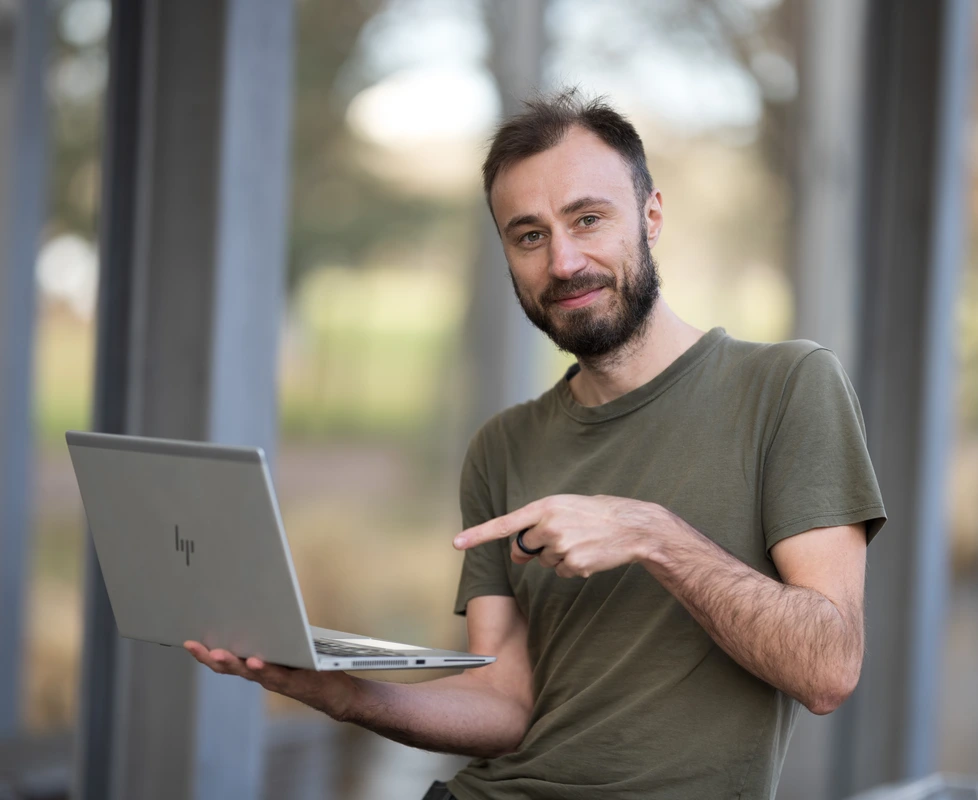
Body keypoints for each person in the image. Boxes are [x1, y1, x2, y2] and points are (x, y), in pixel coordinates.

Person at [186, 90, 886, 800]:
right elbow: (504, 705)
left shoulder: (787, 387)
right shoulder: (503, 446)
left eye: (588, 219)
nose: (563, 261)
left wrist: (651, 533)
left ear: (651, 216)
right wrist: (340, 694)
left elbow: (828, 668)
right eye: (529, 236)